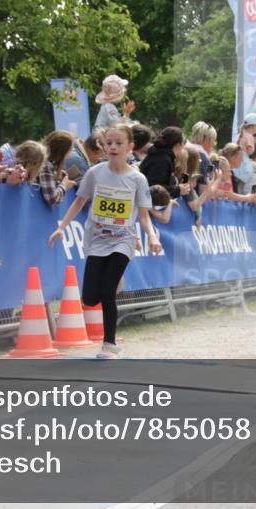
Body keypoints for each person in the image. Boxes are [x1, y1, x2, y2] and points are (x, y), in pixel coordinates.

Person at [48, 123, 161, 359]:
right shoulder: (94, 173)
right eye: (108, 142)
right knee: (90, 297)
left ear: (130, 147)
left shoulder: (138, 179)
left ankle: (109, 345)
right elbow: (78, 202)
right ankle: (113, 281)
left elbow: (143, 215)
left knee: (108, 291)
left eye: (119, 143)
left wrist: (151, 236)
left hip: (124, 239)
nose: (112, 147)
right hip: (96, 239)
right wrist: (61, 227)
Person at [139, 126, 189, 200]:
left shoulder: (162, 155)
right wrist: (178, 190)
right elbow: (155, 188)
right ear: (178, 144)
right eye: (183, 143)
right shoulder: (162, 159)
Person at [39, 130, 78, 205]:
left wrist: (56, 177)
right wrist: (64, 185)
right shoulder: (46, 166)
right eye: (71, 150)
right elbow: (52, 199)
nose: (71, 153)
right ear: (63, 152)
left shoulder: (46, 164)